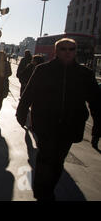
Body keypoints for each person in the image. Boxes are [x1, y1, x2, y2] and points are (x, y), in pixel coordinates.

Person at [16, 38, 100, 201]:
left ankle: (48, 190)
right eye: (63, 49)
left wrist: (98, 126)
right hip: (45, 124)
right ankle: (42, 193)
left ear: (75, 51)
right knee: (45, 158)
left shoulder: (85, 74)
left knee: (58, 161)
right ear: (56, 51)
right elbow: (29, 92)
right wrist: (21, 112)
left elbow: (96, 102)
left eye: (71, 49)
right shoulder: (43, 70)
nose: (67, 52)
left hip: (70, 127)